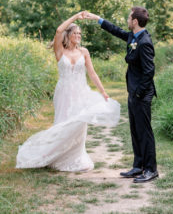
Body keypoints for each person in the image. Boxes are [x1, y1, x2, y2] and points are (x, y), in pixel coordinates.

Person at [16, 12, 120, 172]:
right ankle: (54, 156)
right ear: (69, 35)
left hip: (80, 93)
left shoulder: (84, 52)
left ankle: (76, 157)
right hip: (64, 93)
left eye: (80, 33)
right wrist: (76, 16)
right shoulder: (60, 51)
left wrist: (103, 92)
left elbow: (92, 73)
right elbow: (58, 31)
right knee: (63, 124)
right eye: (75, 33)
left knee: (78, 125)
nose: (78, 35)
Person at [84, 7, 158, 183]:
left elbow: (149, 72)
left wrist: (139, 93)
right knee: (135, 130)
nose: (127, 19)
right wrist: (98, 18)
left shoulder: (145, 42)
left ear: (135, 21)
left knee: (145, 132)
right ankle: (138, 166)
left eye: (129, 17)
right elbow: (116, 31)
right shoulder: (134, 37)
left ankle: (150, 170)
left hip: (142, 94)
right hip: (133, 92)